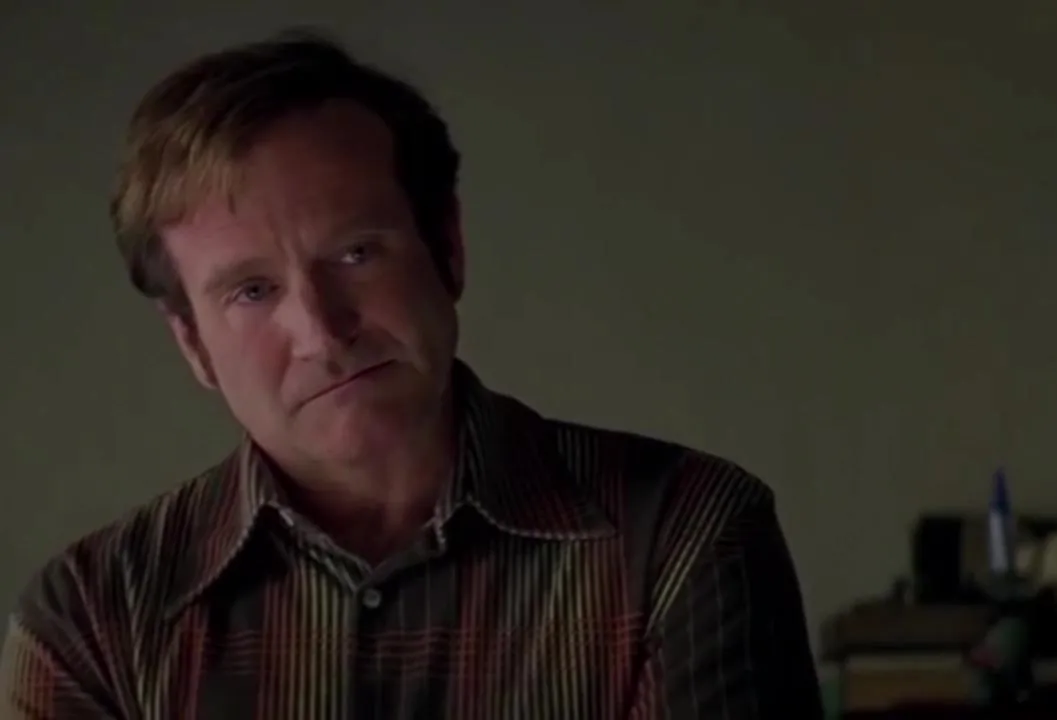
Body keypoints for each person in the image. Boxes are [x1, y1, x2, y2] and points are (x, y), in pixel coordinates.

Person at [0, 31, 822, 719]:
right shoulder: (92, 616)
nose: (321, 332)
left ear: (448, 249)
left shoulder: (682, 532)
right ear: (192, 344)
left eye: (357, 253)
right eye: (251, 291)